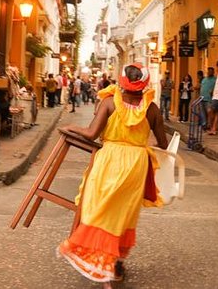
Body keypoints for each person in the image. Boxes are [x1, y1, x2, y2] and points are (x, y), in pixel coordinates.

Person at [58, 63, 168, 288]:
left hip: (109, 161)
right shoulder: (153, 109)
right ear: (144, 84)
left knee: (99, 209)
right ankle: (115, 264)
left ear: (122, 81)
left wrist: (71, 127)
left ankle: (103, 269)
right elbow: (164, 144)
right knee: (122, 215)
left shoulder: (109, 103)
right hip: (137, 165)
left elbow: (90, 134)